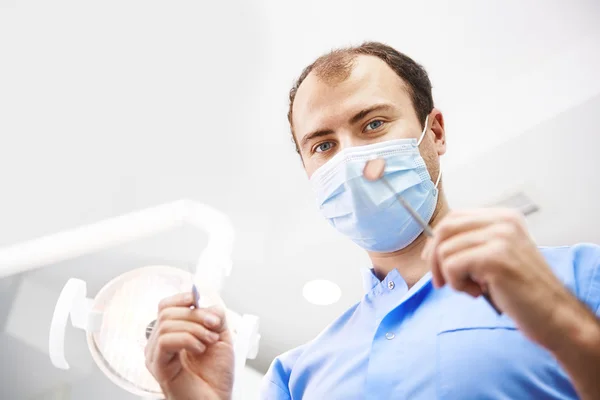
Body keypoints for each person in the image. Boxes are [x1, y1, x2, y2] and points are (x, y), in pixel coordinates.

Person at [145, 42, 600, 399]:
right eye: (323, 145)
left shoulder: (579, 277)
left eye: (373, 125)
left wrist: (564, 325)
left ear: (434, 132)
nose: (354, 159)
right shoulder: (296, 375)